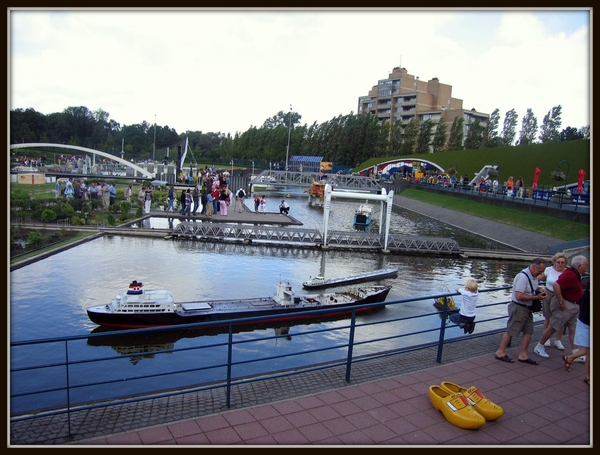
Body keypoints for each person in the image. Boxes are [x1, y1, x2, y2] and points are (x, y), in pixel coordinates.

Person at [534, 255, 589, 359]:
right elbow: (556, 285)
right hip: (567, 305)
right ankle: (539, 346)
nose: (587, 267)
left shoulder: (574, 273)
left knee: (572, 329)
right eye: (586, 265)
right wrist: (561, 301)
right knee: (553, 326)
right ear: (579, 266)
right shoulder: (570, 274)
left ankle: (575, 352)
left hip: (574, 306)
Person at [494, 257, 547, 365]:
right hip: (519, 307)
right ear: (533, 267)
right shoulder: (523, 277)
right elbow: (519, 296)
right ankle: (500, 351)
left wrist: (539, 289)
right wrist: (537, 298)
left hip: (527, 308)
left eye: (542, 271)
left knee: (528, 331)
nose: (540, 273)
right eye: (539, 271)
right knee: (512, 330)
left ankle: (523, 354)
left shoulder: (533, 276)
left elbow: (531, 288)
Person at [561, 276, 590, 385]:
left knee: (589, 351)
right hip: (587, 325)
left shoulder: (585, 294)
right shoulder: (587, 297)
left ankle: (570, 357)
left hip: (585, 323)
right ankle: (587, 377)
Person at [538, 252, 568, 350]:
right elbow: (538, 278)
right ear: (554, 262)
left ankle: (558, 340)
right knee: (548, 317)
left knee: (561, 319)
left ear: (565, 263)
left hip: (561, 296)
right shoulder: (549, 270)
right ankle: (546, 338)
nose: (560, 264)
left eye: (562, 262)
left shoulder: (567, 272)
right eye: (558, 262)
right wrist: (535, 286)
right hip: (549, 293)